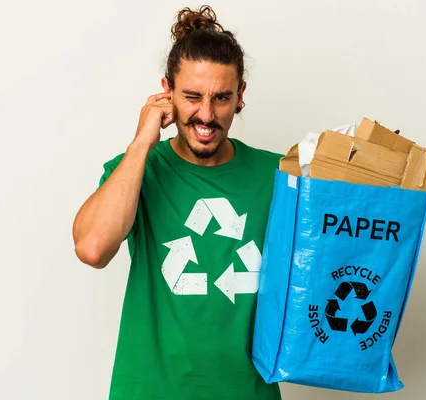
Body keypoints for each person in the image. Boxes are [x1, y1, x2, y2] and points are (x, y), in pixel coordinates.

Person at [72, 5, 283, 400]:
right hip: (150, 391)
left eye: (221, 98)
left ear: (240, 96)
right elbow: (92, 248)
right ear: (166, 91)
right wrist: (141, 143)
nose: (206, 115)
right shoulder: (136, 171)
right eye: (191, 96)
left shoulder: (280, 177)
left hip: (247, 393)